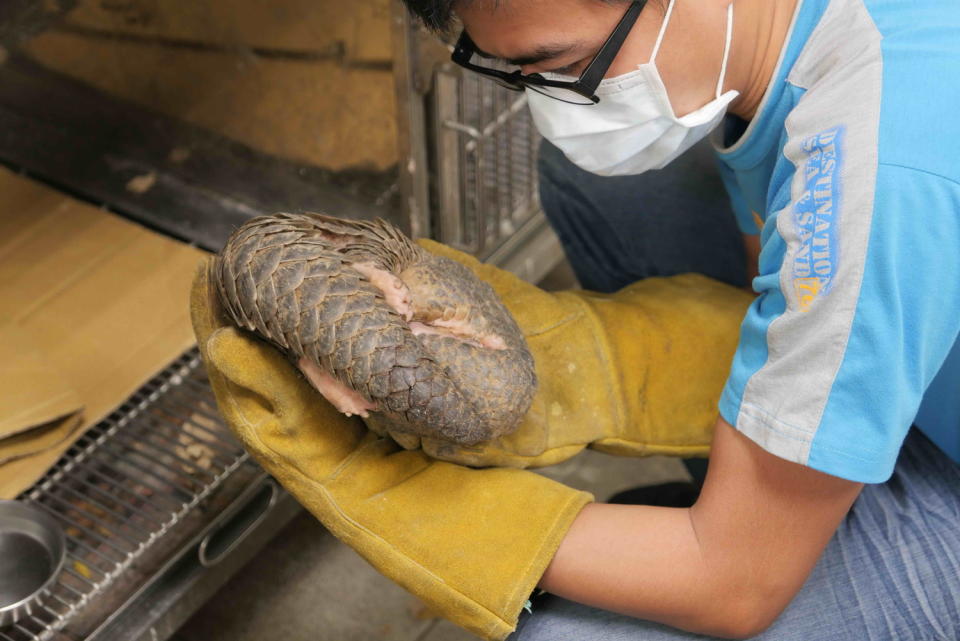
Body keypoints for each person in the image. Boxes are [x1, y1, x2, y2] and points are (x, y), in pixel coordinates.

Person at [190, 0, 959, 639]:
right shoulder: (802, 39)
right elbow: (789, 275)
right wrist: (602, 357)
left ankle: (777, 516)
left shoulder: (877, 173)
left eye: (563, 66)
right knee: (608, 186)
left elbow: (734, 584)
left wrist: (408, 498)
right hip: (923, 365)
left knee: (562, 631)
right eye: (522, 76)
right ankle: (767, 495)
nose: (558, 105)